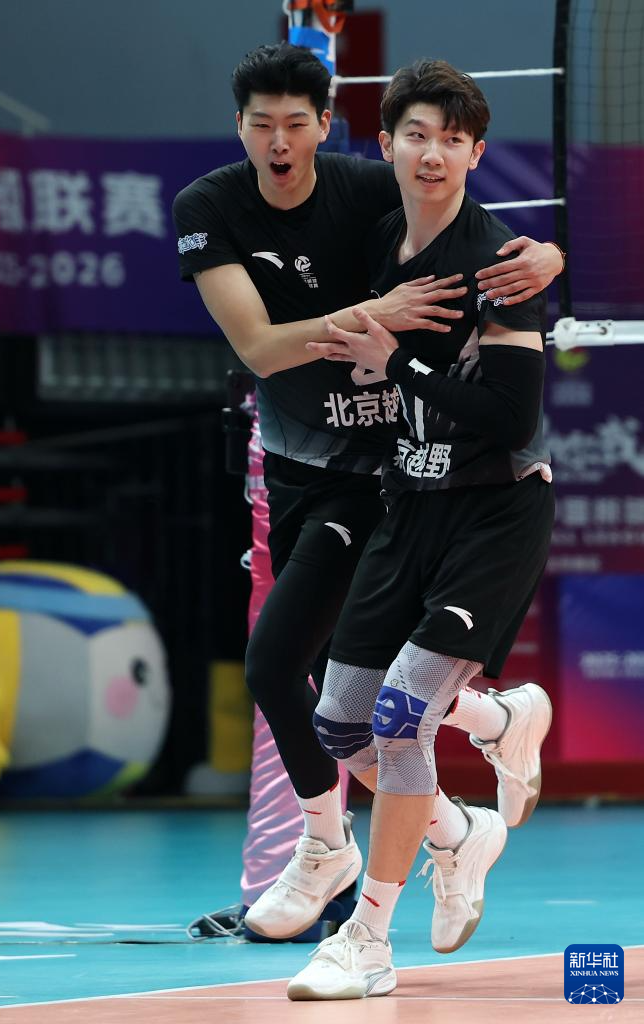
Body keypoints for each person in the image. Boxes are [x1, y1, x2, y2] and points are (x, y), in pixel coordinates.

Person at [173, 43, 560, 945]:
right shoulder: (211, 206)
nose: (279, 142)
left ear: (327, 128)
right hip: (298, 469)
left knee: (289, 670)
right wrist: (374, 320)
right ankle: (472, 786)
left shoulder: (370, 185)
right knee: (347, 707)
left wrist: (549, 254)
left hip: (385, 475)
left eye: (295, 124)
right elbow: (260, 348)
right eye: (261, 125)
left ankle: (340, 873)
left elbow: (470, 218)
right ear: (240, 128)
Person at [286, 58, 555, 1000]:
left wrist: (397, 362)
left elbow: (511, 419)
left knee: (401, 718)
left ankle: (366, 940)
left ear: (477, 154)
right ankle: (479, 776)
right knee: (340, 723)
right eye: (416, 135)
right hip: (409, 506)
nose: (433, 153)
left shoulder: (503, 265)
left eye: (453, 138)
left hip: (495, 510)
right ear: (387, 144)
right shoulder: (374, 240)